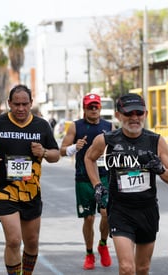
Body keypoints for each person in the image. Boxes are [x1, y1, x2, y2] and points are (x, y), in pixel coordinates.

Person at [84, 93, 168, 275]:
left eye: (139, 113)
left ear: (146, 114)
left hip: (147, 210)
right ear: (118, 115)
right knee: (127, 268)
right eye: (128, 113)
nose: (134, 118)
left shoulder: (156, 141)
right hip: (120, 210)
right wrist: (97, 185)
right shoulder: (107, 140)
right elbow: (89, 157)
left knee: (142, 268)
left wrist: (160, 169)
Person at [0, 84, 60, 275]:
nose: (21, 109)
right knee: (13, 240)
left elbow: (56, 155)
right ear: (9, 104)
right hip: (5, 191)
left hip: (31, 192)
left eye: (25, 104)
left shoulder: (41, 126)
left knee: (31, 243)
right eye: (16, 104)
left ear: (31, 103)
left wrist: (44, 152)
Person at [60, 93, 115, 270]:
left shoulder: (109, 126)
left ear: (100, 108)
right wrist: (73, 148)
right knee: (89, 218)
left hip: (104, 177)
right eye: (90, 107)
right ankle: (89, 253)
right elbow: (61, 151)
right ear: (84, 109)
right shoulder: (76, 127)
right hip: (83, 178)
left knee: (106, 214)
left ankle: (103, 244)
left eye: (96, 106)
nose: (93, 109)